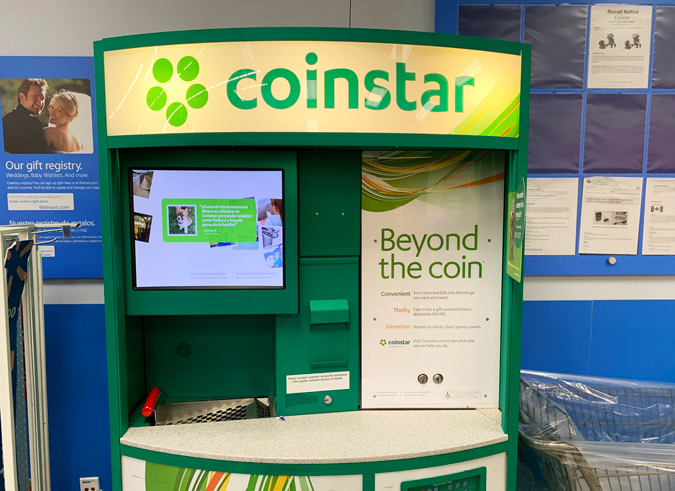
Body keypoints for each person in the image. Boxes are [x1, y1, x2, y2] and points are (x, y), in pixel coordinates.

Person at [2, 78, 51, 154]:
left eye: (42, 98)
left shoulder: (4, 120)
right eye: (35, 97)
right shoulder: (32, 123)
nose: (40, 103)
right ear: (22, 97)